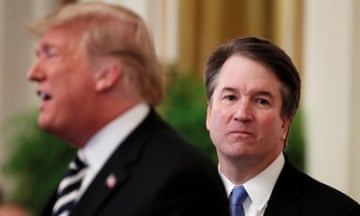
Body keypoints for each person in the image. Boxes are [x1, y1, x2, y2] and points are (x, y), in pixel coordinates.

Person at [27, 2, 229, 216]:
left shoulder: (181, 179)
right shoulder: (80, 175)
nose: (33, 73)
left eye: (50, 55)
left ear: (105, 74)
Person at [204, 36, 360, 216]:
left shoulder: (339, 212)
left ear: (285, 123)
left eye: (262, 101)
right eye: (230, 97)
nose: (242, 114)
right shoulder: (178, 202)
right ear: (209, 114)